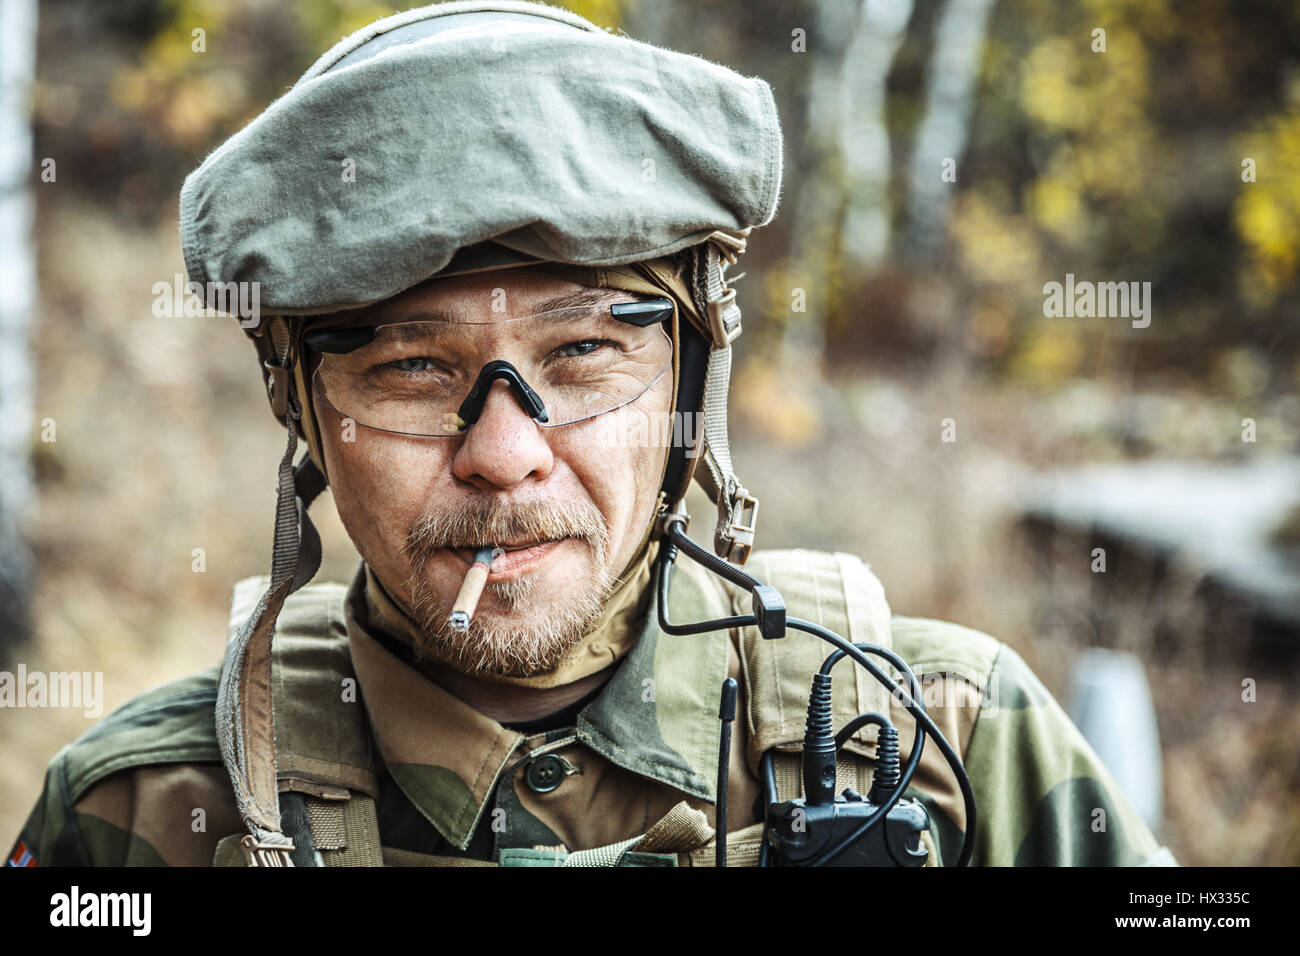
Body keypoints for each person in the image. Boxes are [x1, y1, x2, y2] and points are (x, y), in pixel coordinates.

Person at [7, 0, 1175, 867]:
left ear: (693, 373)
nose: (505, 452)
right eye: (414, 367)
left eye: (582, 355)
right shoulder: (145, 815)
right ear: (304, 405)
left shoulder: (954, 742)